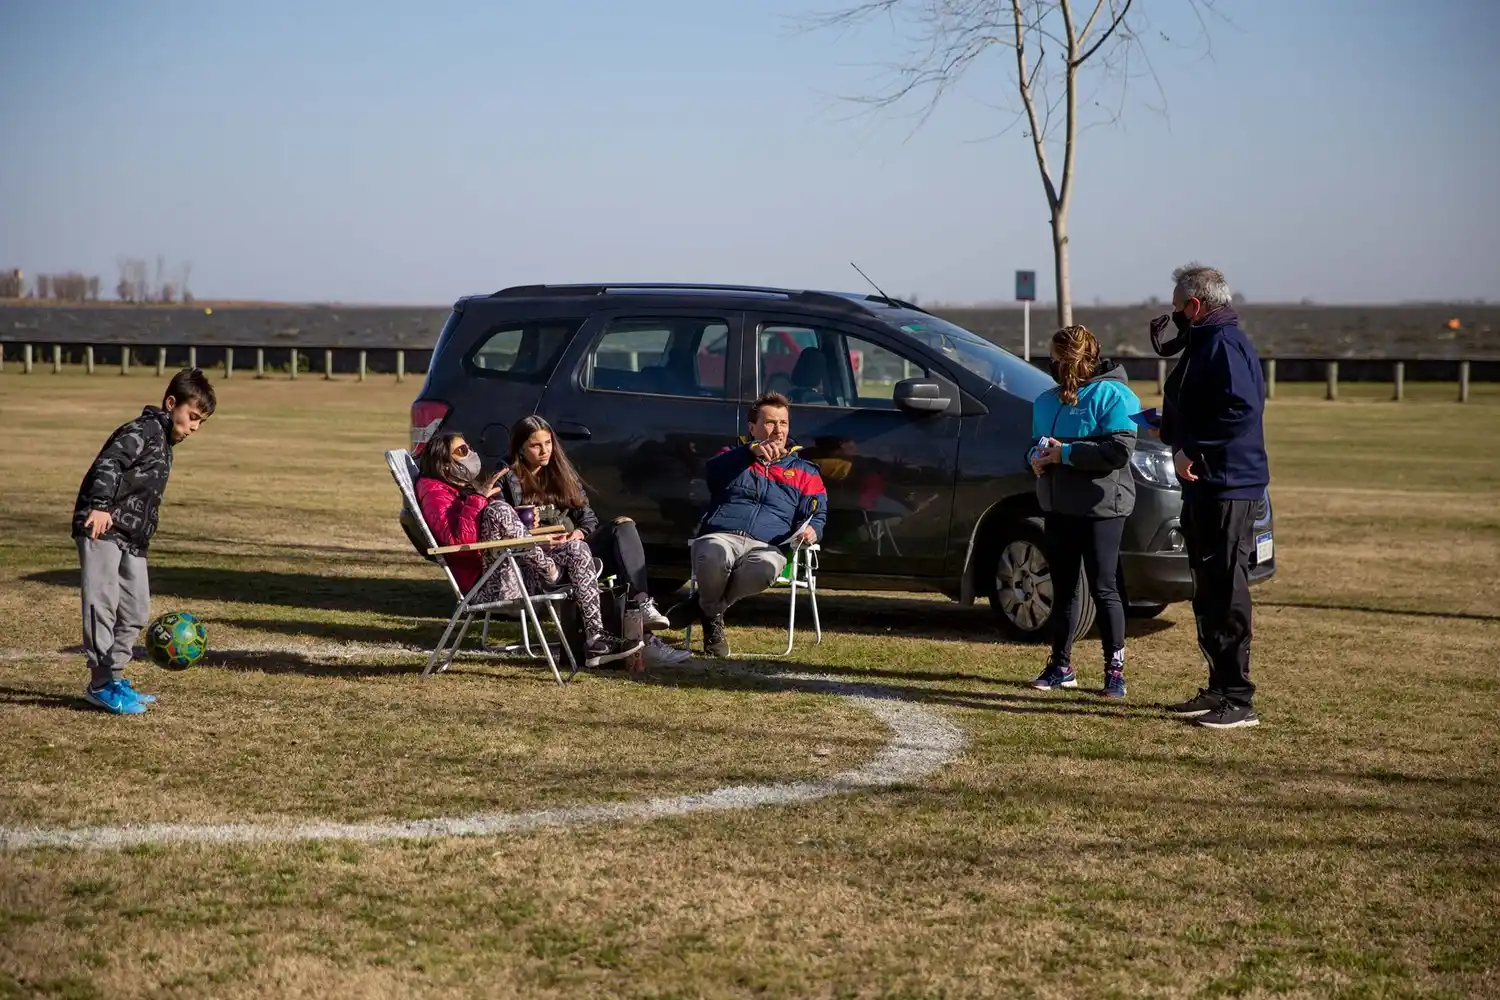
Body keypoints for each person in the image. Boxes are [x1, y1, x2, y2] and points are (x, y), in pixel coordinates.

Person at [1153, 263, 1270, 730]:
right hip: (1206, 485)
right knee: (1207, 589)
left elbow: (1241, 408)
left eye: (1178, 307)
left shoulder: (1224, 344)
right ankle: (1218, 687)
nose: (1173, 316)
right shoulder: (1204, 344)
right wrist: (1168, 427)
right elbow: (1201, 404)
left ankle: (1239, 698)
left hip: (1228, 485)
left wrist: (1191, 448)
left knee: (1226, 587)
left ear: (1195, 306)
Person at [414, 432, 642, 669]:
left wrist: (532, 533)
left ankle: (596, 639)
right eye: (462, 451)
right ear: (444, 463)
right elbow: (457, 542)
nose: (470, 453)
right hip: (487, 585)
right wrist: (480, 499)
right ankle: (550, 569)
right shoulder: (434, 492)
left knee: (577, 547)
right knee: (499, 510)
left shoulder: (461, 489)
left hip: (512, 569)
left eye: (468, 448)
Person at [72, 367, 216, 714]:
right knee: (101, 605)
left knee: (136, 609)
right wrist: (100, 506)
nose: (194, 427)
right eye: (192, 417)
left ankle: (116, 677)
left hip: (132, 539)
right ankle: (100, 683)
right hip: (102, 527)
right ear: (171, 403)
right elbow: (109, 462)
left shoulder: (166, 442)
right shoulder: (143, 430)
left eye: (201, 422)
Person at [667, 391, 827, 657]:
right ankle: (712, 614)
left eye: (783, 423)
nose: (778, 431)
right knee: (711, 554)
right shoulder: (731, 457)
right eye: (770, 423)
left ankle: (705, 608)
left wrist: (813, 531)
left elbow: (817, 514)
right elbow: (712, 473)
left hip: (768, 544)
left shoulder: (805, 471)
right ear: (752, 428)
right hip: (721, 535)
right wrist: (747, 453)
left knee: (766, 567)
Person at [1027, 326, 1139, 699]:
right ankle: (1061, 666)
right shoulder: (1045, 401)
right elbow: (1035, 445)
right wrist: (1035, 458)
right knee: (1064, 591)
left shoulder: (1114, 395)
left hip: (1102, 509)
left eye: (1057, 360)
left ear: (1069, 359)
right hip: (1058, 507)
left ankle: (1114, 671)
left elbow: (1118, 451)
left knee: (1105, 588)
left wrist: (1066, 454)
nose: (1053, 367)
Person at [500, 415, 671, 632]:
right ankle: (614, 629)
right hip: (541, 559)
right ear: (520, 449)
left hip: (576, 548)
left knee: (624, 525)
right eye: (535, 446)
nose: (545, 451)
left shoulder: (561, 473)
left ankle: (641, 603)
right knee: (577, 549)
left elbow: (588, 518)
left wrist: (579, 533)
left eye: (548, 443)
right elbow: (503, 528)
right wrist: (538, 537)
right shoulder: (508, 479)